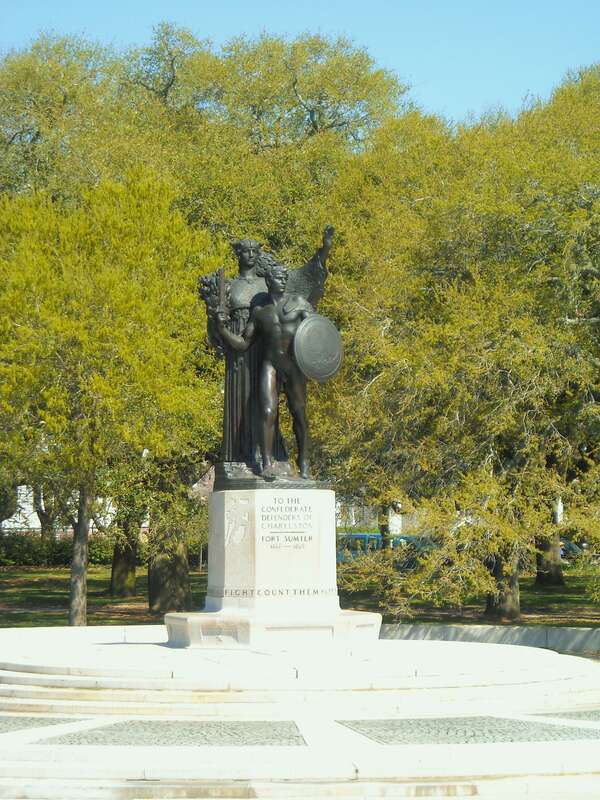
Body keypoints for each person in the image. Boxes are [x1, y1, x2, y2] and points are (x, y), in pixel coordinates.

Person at [217, 264, 314, 479]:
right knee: (268, 411)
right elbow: (243, 343)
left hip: (294, 365)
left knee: (299, 413)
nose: (280, 280)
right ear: (269, 281)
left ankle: (304, 460)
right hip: (270, 364)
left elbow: (314, 332)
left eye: (283, 277)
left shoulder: (299, 304)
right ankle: (267, 463)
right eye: (276, 277)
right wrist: (222, 328)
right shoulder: (261, 313)